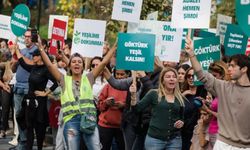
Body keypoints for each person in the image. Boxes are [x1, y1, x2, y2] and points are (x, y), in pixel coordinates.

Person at [38, 36, 117, 150]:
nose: (76, 64)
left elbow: (103, 62)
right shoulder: (64, 80)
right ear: (70, 65)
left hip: (88, 119)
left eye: (79, 62)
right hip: (71, 121)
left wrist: (114, 47)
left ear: (83, 66)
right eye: (74, 62)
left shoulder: (89, 78)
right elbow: (50, 65)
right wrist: (41, 48)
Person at [185, 37, 250, 149]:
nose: (229, 68)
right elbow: (201, 74)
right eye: (228, 65)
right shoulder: (223, 87)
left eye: (233, 66)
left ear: (244, 69)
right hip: (222, 144)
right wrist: (191, 54)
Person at [130, 67, 185, 150]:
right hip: (155, 140)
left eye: (174, 76)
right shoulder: (153, 94)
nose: (171, 79)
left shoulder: (180, 97)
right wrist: (133, 95)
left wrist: (181, 122)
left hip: (175, 140)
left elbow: (182, 117)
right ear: (162, 80)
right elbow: (136, 109)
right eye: (168, 77)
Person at [15, 47, 58, 150]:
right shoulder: (33, 67)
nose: (32, 57)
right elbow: (23, 63)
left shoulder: (46, 69)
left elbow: (56, 82)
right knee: (29, 127)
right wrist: (16, 50)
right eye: (32, 55)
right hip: (30, 101)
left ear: (40, 57)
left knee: (40, 129)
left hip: (40, 102)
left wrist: (46, 93)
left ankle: (39, 148)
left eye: (34, 55)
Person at [11, 29, 37, 150]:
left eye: (29, 37)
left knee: (26, 118)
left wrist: (19, 53)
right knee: (18, 116)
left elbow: (30, 65)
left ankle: (25, 143)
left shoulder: (36, 50)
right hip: (18, 88)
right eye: (25, 36)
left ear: (33, 38)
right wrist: (14, 55)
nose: (26, 39)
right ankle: (22, 141)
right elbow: (13, 68)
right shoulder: (22, 50)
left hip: (27, 88)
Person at [97, 69, 130, 150]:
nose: (119, 77)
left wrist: (123, 106)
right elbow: (99, 106)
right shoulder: (108, 86)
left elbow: (134, 107)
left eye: (122, 74)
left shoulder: (131, 87)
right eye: (117, 74)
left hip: (122, 127)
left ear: (128, 74)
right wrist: (106, 103)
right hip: (105, 125)